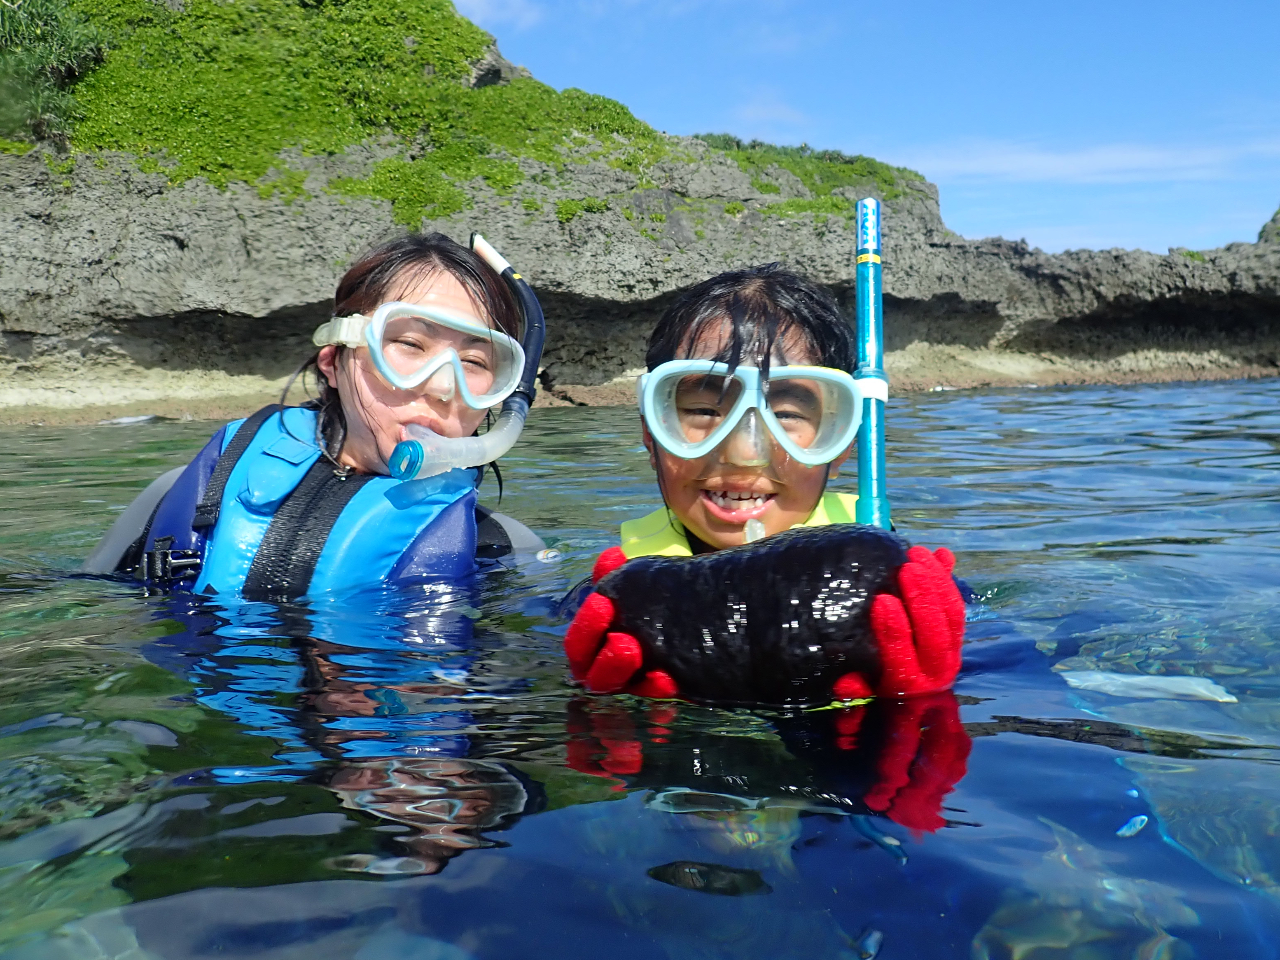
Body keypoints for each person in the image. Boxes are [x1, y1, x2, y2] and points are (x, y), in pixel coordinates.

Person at [564, 263, 966, 703]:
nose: (744, 453)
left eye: (788, 414)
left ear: (841, 443)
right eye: (703, 410)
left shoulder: (908, 597)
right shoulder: (598, 609)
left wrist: (921, 709)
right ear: (650, 432)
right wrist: (599, 710)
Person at [82, 232, 547, 599]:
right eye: (409, 345)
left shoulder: (501, 551)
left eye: (477, 363)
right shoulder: (187, 493)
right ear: (333, 363)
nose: (443, 387)